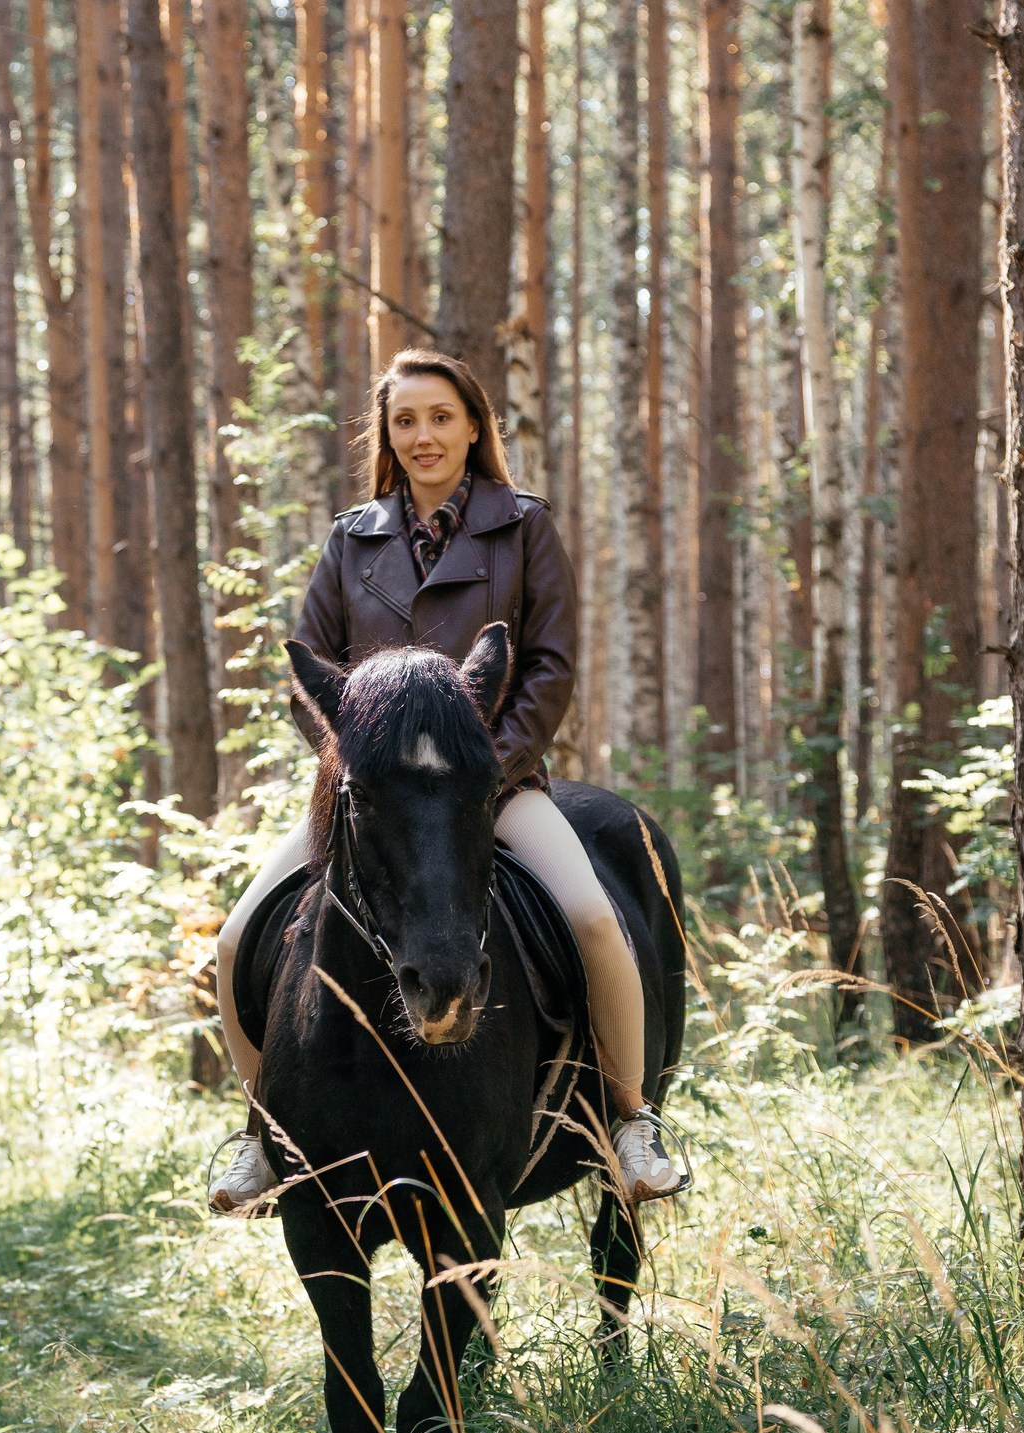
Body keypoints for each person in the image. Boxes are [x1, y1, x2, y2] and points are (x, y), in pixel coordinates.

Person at [207, 348, 687, 1214]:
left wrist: (477, 772)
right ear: (386, 436)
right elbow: (307, 670)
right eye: (405, 421)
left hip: (493, 787)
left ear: (474, 427)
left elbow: (549, 664)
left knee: (593, 919)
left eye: (439, 417)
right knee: (238, 937)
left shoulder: (525, 526)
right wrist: (365, 770)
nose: (423, 436)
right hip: (378, 801)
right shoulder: (351, 540)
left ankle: (629, 1117)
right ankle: (263, 1136)